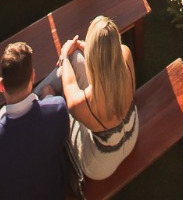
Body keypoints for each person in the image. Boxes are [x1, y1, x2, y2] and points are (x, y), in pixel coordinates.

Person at [0, 40, 71, 200]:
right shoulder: (58, 108)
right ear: (32, 75)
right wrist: (48, 97)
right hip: (54, 192)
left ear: (1, 85)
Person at [46, 15, 138, 181]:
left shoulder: (81, 103)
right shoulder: (125, 54)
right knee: (78, 60)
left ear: (94, 55)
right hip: (132, 134)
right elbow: (109, 57)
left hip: (100, 166)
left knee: (49, 96)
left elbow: (70, 86)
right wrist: (87, 48)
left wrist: (64, 56)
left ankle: (32, 95)